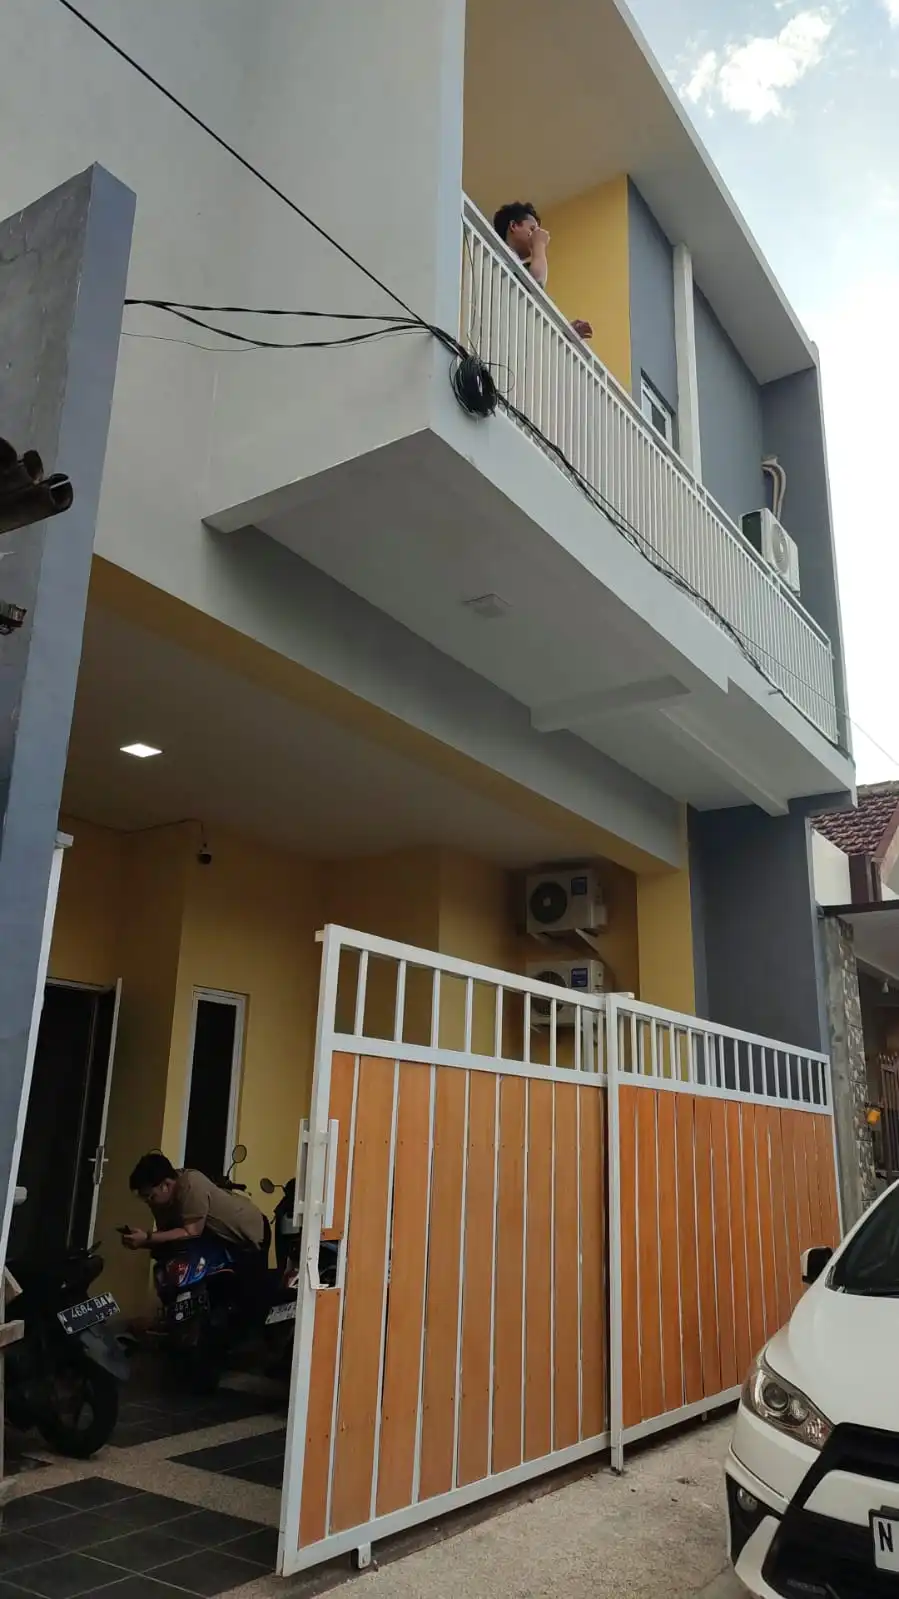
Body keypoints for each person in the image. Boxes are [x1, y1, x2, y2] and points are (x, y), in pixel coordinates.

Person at [123, 1151, 269, 1311]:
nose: (149, 1202)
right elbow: (168, 1235)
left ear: (166, 1185)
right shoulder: (160, 1202)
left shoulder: (191, 1184)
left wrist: (147, 1237)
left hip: (249, 1235)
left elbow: (190, 1232)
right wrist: (140, 1241)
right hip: (217, 1244)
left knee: (250, 1299)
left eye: (151, 1196)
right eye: (144, 1198)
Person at [492, 201, 593, 341]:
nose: (536, 235)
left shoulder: (519, 269)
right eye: (532, 229)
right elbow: (536, 281)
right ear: (513, 226)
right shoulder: (495, 258)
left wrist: (566, 334)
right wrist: (539, 245)